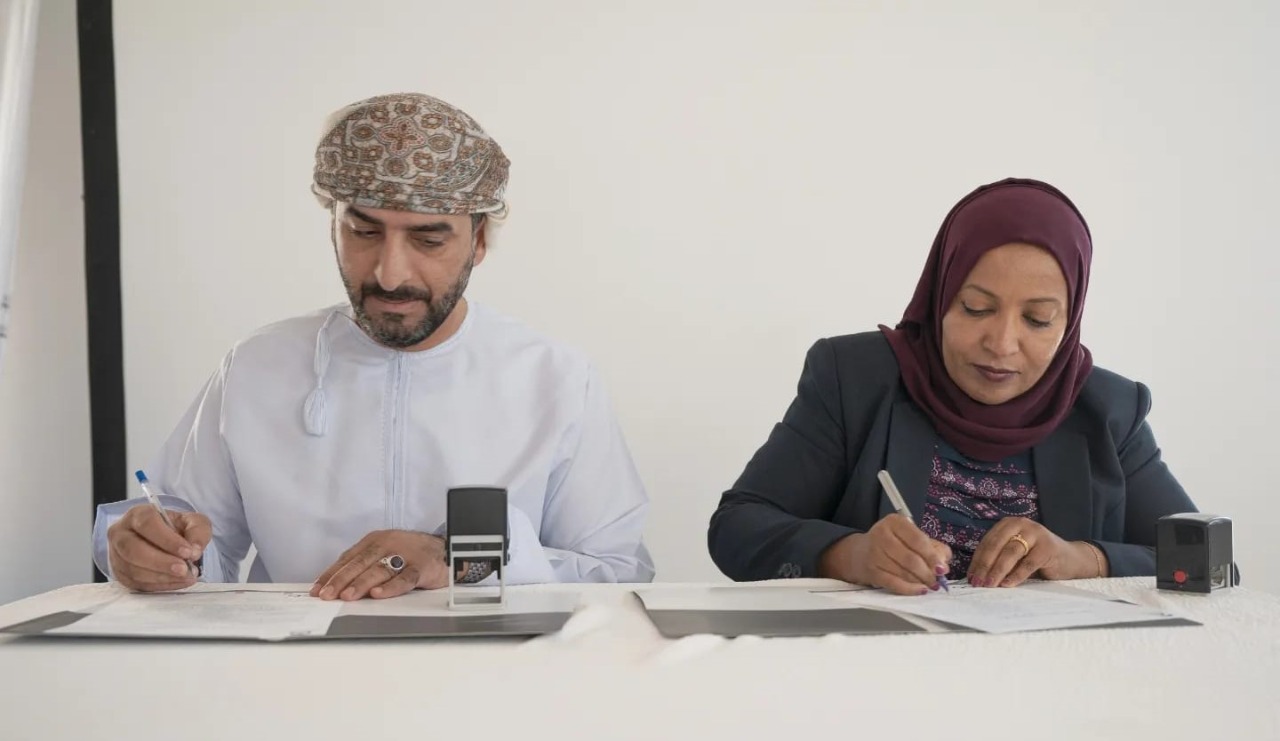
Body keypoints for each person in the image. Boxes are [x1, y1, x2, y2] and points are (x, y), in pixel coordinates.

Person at [94, 92, 654, 599]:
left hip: (487, 669)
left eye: (428, 239)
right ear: (333, 224)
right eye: (363, 232)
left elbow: (616, 571)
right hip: (291, 668)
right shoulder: (257, 366)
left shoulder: (555, 378)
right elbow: (191, 544)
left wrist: (458, 559)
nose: (390, 274)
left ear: (479, 240)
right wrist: (156, 554)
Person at [708, 177, 1197, 595]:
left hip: (1048, 667)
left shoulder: (1110, 410)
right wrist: (849, 556)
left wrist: (1082, 559)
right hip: (875, 664)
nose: (1001, 344)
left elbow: (1204, 561)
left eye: (1037, 319)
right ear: (939, 295)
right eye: (976, 308)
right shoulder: (853, 379)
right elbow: (737, 527)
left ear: (1069, 325)